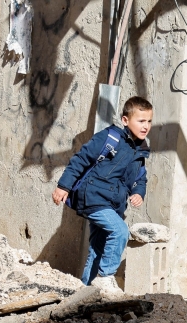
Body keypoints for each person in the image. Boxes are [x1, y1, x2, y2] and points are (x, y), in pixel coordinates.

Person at [52, 96, 153, 293]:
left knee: (98, 247)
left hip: (114, 204)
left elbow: (140, 178)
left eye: (149, 121)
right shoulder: (109, 137)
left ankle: (86, 291)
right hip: (94, 197)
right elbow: (80, 160)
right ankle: (106, 278)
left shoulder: (141, 149)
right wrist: (63, 186)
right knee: (120, 231)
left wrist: (138, 192)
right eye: (141, 121)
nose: (146, 126)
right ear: (125, 120)